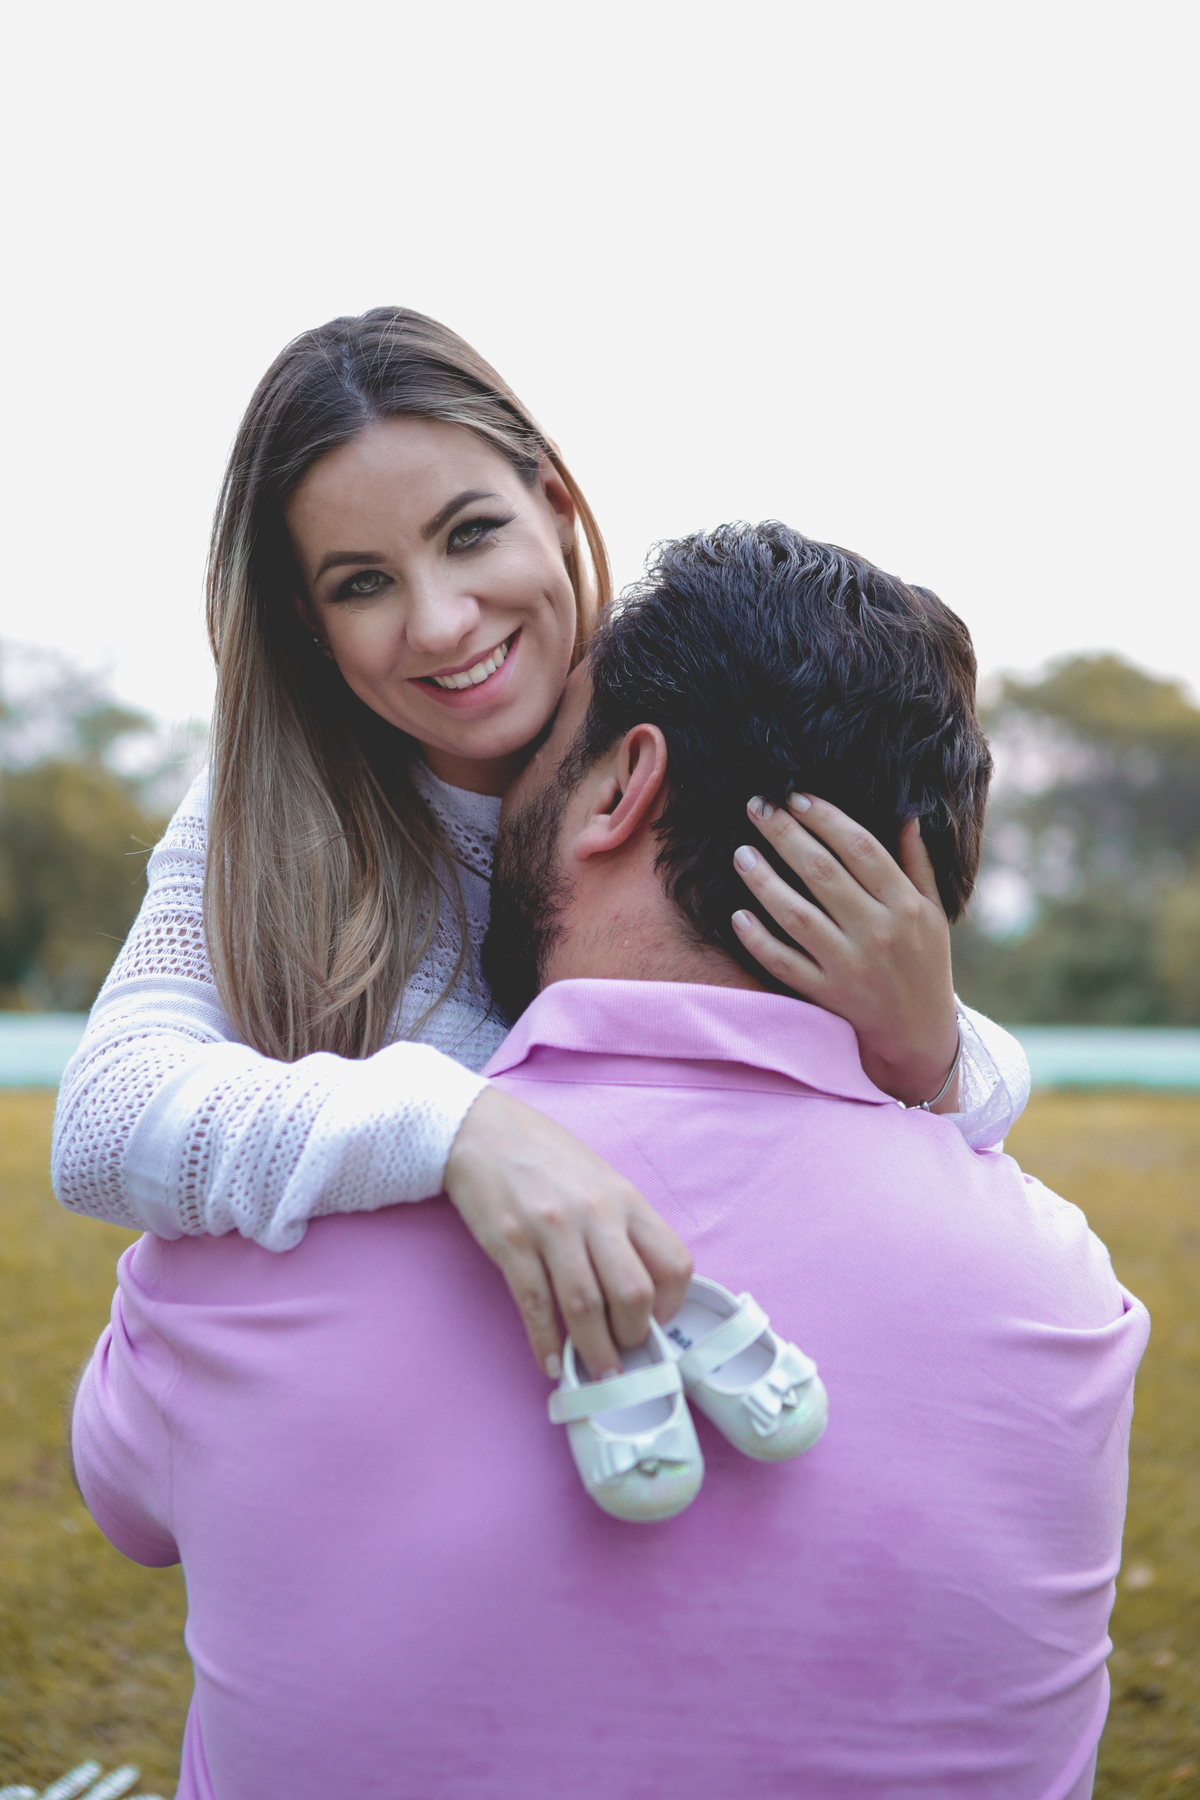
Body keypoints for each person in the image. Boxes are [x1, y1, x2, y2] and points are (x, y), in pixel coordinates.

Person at [72, 525, 1147, 1799]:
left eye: (545, 748)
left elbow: (125, 1503)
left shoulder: (252, 1249)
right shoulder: (1071, 1305)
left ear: (620, 786)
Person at [52, 308, 1029, 1383]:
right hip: (393, 1384)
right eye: (361, 583)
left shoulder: (680, 716)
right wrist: (463, 1131)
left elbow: (947, 1067)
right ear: (307, 621)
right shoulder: (268, 820)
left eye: (469, 532)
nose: (441, 624)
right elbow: (104, 1118)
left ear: (553, 504)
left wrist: (930, 1050)